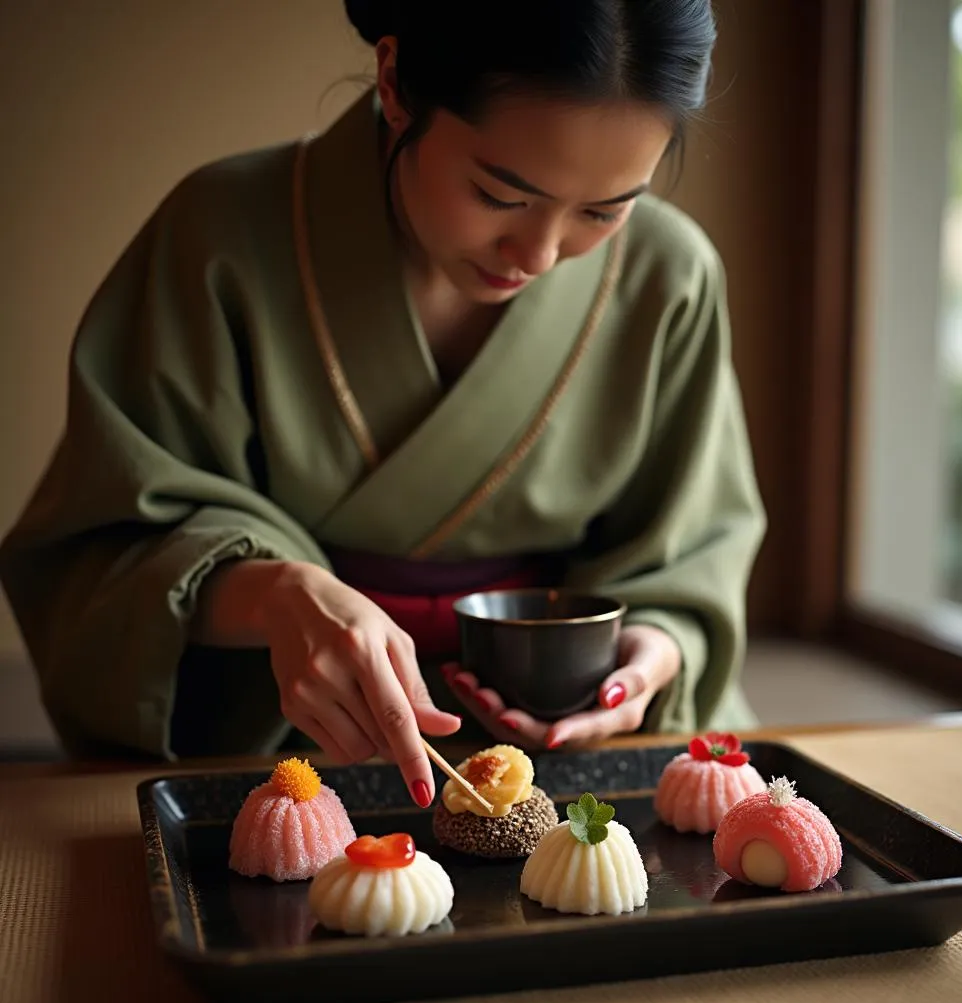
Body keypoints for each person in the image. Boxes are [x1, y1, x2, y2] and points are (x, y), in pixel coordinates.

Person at [0, 0, 766, 808]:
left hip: (570, 745)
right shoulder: (219, 235)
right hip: (282, 744)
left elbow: (691, 551)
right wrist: (280, 595)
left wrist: (653, 651)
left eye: (604, 211)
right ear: (396, 82)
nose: (540, 253)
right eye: (500, 194)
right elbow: (105, 544)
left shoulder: (671, 274)